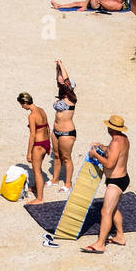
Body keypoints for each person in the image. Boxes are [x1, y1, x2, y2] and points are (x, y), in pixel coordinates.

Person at [82, 115, 131, 254]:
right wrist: (101, 147)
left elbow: (110, 163)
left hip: (116, 181)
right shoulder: (123, 139)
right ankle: (120, 236)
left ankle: (100, 244)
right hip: (121, 178)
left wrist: (95, 155)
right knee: (113, 209)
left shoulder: (115, 142)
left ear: (111, 128)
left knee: (106, 211)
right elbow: (113, 153)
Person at [18, 91, 51, 204]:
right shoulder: (41, 110)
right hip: (45, 142)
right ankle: (37, 187)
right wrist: (49, 145)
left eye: (22, 105)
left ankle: (40, 198)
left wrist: (29, 153)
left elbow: (32, 135)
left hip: (38, 145)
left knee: (37, 171)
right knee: (39, 168)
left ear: (26, 103)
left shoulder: (32, 116)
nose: (22, 107)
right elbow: (47, 126)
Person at [51, 60, 77, 193]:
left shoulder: (71, 99)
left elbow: (65, 81)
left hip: (67, 133)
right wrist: (57, 70)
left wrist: (62, 65)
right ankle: (55, 179)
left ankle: (68, 183)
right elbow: (60, 81)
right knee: (56, 155)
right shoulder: (62, 97)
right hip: (55, 131)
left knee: (66, 158)